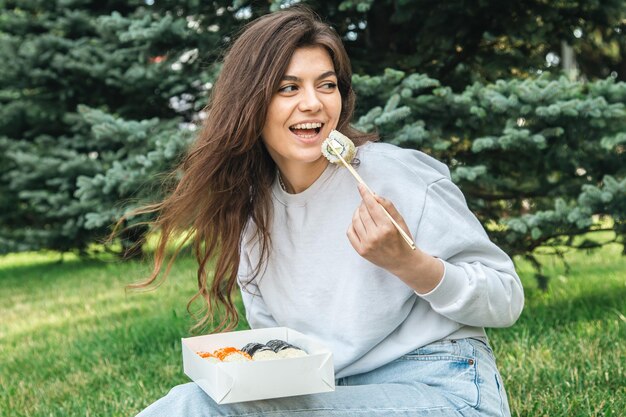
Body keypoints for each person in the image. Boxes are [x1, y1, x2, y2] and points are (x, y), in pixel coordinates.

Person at [134, 6, 524, 417]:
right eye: (288, 88)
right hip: (332, 397)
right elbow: (282, 354)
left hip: (443, 388)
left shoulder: (393, 175)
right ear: (250, 103)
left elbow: (505, 298)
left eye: (326, 85)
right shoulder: (254, 213)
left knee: (195, 408)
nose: (312, 104)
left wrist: (408, 263)